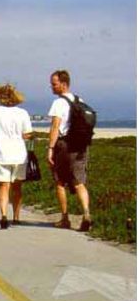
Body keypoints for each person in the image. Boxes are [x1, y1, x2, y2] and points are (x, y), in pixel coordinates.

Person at [47, 70, 92, 231]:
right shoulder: (79, 100)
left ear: (63, 84)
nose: (51, 86)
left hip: (64, 145)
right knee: (79, 182)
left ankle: (65, 218)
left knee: (60, 182)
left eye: (54, 83)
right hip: (80, 146)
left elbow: (55, 127)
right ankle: (86, 213)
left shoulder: (59, 103)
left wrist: (50, 148)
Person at [0, 84, 33, 229]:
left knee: (3, 186)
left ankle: (4, 215)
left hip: (1, 154)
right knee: (17, 187)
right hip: (19, 154)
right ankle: (16, 217)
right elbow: (27, 134)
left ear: (0, 97)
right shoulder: (23, 113)